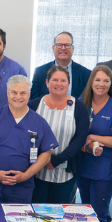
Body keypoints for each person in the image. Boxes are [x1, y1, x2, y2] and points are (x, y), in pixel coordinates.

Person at [0, 75, 58, 203]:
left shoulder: (39, 122)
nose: (18, 97)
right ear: (7, 93)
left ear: (29, 94)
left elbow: (46, 154)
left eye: (23, 93)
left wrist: (26, 175)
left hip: (22, 187)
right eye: (14, 92)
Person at [29, 66, 91, 203]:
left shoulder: (78, 107)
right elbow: (26, 135)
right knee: (36, 212)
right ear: (47, 82)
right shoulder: (34, 105)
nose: (59, 83)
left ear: (68, 84)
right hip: (37, 171)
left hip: (65, 173)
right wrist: (42, 159)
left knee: (59, 216)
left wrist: (58, 159)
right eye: (55, 79)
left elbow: (80, 138)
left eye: (63, 80)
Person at [76, 66, 112, 222]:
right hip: (83, 167)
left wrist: (92, 137)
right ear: (91, 82)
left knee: (99, 215)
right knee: (85, 213)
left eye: (106, 80)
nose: (101, 84)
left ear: (111, 84)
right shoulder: (81, 103)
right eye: (97, 80)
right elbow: (75, 135)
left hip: (104, 170)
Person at [30, 32, 92, 100]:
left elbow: (87, 101)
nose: (63, 48)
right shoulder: (40, 72)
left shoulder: (86, 74)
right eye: (59, 45)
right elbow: (34, 102)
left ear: (73, 48)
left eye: (67, 45)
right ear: (53, 48)